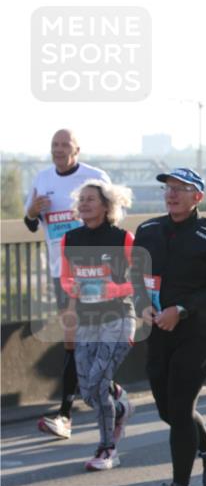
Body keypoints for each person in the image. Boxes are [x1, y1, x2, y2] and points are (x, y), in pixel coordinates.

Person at [132, 168, 206, 486]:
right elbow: (135, 278)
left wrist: (183, 309)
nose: (172, 194)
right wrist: (142, 307)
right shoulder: (147, 230)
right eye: (168, 188)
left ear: (198, 197)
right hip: (160, 329)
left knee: (179, 408)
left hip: (199, 330)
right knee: (167, 409)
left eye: (181, 189)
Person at [24, 129, 110, 440]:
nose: (58, 150)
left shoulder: (95, 177)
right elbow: (30, 222)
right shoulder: (42, 178)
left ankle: (67, 413)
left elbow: (113, 220)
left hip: (96, 273)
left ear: (77, 149)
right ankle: (70, 413)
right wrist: (33, 212)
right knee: (76, 342)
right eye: (54, 145)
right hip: (63, 275)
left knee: (89, 341)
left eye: (65, 145)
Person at [60, 180, 138, 470]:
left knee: (97, 384)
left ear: (107, 206)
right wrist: (74, 289)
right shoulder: (70, 239)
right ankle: (119, 406)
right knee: (87, 389)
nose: (84, 204)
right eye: (81, 199)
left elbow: (140, 278)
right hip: (86, 320)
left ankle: (107, 450)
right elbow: (67, 278)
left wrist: (109, 288)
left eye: (90, 199)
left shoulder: (123, 238)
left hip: (118, 318)